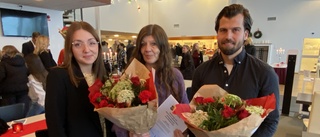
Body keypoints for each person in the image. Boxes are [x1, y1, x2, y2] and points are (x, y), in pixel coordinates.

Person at [177, 4, 279, 137]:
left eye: (235, 30)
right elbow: (193, 114)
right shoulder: (201, 71)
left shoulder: (264, 73)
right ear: (217, 34)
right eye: (223, 30)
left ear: (245, 34)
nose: (228, 36)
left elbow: (271, 122)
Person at [112, 24, 188, 137]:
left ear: (162, 47)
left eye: (153, 44)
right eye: (143, 44)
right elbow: (117, 117)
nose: (147, 49)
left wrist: (183, 133)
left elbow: (185, 111)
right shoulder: (131, 74)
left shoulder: (175, 76)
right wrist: (129, 133)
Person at [45, 21, 107, 137]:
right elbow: (56, 126)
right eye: (78, 44)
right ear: (70, 48)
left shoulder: (103, 76)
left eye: (92, 43)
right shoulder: (58, 76)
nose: (87, 49)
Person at [0, 45, 30, 116]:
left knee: (10, 114)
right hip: (23, 91)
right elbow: (27, 73)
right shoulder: (23, 62)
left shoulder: (3, 63)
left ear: (5, 52)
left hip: (8, 93)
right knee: (23, 113)